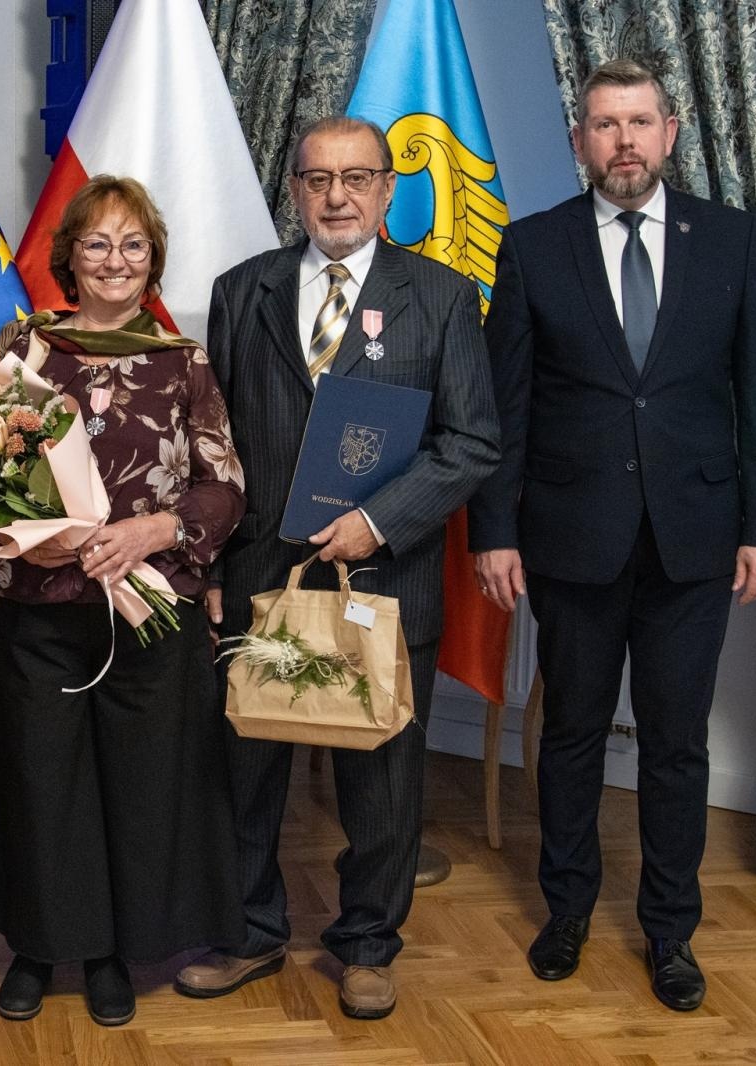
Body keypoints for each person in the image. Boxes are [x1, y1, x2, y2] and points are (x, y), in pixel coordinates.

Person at [467, 59, 756, 1012]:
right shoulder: (533, 246)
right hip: (571, 537)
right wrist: (494, 530)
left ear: (670, 132)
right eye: (605, 125)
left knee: (676, 743)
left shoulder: (728, 239)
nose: (623, 142)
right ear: (581, 140)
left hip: (696, 536)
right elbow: (505, 407)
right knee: (570, 733)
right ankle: (567, 910)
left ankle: (670, 931)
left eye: (639, 122)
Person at [175, 116, 499, 1020]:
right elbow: (215, 443)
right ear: (294, 191)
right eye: (318, 179)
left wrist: (376, 523)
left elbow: (472, 442)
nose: (337, 196)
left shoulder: (441, 296)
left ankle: (365, 946)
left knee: (383, 783)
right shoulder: (243, 289)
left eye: (357, 178)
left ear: (388, 190)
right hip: (259, 576)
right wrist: (209, 569)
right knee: (244, 773)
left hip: (385, 581)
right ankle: (249, 934)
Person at [0, 175, 246, 1027]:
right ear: (69, 258)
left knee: (140, 783)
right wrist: (38, 534)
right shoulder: (29, 346)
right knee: (43, 780)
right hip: (43, 604)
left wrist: (155, 530)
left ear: (153, 259)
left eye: (132, 245)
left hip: (151, 608)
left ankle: (115, 951)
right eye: (97, 243)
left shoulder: (185, 360)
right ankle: (39, 948)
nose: (115, 260)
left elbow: (225, 485)